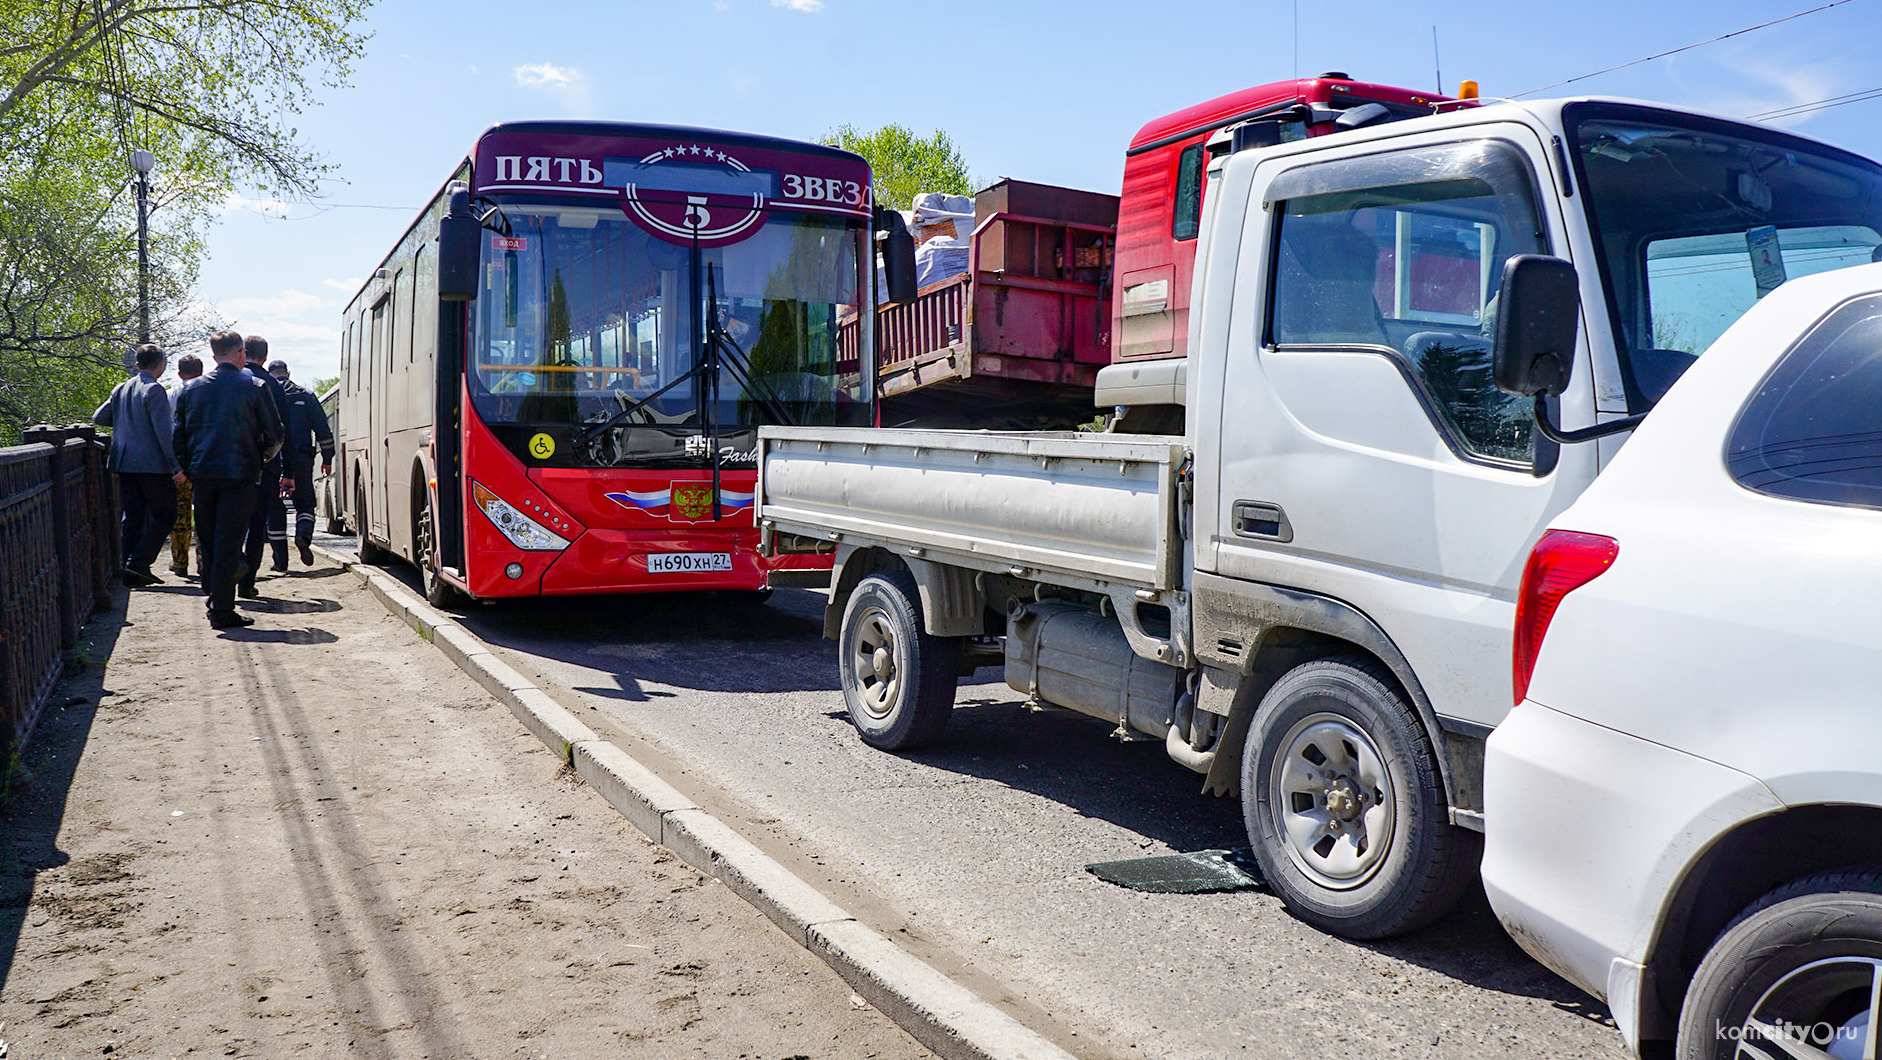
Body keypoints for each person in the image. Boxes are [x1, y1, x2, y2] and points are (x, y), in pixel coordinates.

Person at [175, 330, 282, 629]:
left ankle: (215, 594)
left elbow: (178, 436)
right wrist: (262, 458)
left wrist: (187, 466)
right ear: (240, 353)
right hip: (241, 473)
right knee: (230, 540)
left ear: (213, 356)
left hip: (203, 473)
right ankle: (221, 608)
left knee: (208, 538)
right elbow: (275, 435)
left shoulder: (190, 389)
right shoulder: (257, 386)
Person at [92, 343, 185, 586]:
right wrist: (175, 466)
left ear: (137, 365)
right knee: (167, 514)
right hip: (151, 465)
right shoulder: (154, 390)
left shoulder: (121, 388)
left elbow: (98, 417)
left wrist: (126, 423)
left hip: (123, 461)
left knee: (132, 516)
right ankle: (139, 563)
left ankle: (129, 570)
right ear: (161, 365)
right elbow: (164, 434)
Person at [267, 359, 334, 565]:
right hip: (301, 459)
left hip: (271, 459)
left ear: (270, 374)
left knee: (274, 506)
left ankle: (280, 560)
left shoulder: (266, 393)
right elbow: (323, 429)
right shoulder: (305, 396)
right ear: (288, 372)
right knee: (305, 503)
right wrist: (327, 457)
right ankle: (303, 535)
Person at [239, 335, 292, 591]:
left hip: (225, 465)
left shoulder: (221, 380)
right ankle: (247, 583)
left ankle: (222, 579)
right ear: (265, 356)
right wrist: (286, 470)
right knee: (256, 525)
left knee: (228, 522)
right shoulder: (272, 384)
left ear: (242, 352)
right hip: (263, 465)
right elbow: (283, 433)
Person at [167, 354, 206, 576]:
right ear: (202, 371)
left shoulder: (170, 394)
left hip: (178, 465)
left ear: (179, 373)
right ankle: (203, 561)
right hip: (202, 464)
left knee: (180, 515)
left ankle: (180, 562)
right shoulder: (207, 393)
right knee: (203, 513)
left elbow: (166, 430)